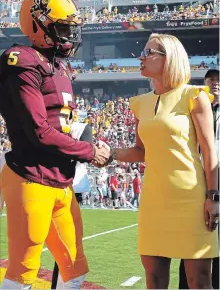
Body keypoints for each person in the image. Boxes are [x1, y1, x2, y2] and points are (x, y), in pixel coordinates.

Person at [0, 0, 110, 289]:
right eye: (63, 29)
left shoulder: (58, 65)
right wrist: (89, 151)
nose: (70, 38)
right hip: (30, 177)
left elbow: (59, 125)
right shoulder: (21, 61)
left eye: (72, 30)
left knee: (75, 269)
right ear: (38, 24)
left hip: (61, 179)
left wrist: (84, 141)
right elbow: (39, 131)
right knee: (23, 270)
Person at [105, 33, 219, 289]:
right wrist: (110, 153)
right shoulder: (140, 104)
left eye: (149, 52)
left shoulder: (194, 96)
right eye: (142, 52)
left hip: (192, 198)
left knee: (199, 281)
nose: (141, 57)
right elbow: (140, 151)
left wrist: (213, 197)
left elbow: (210, 151)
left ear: (170, 59)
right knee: (154, 280)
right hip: (154, 200)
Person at [179, 68, 219, 290]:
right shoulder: (194, 110)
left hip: (217, 181)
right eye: (210, 79)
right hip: (195, 181)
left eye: (219, 80)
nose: (215, 83)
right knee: (190, 243)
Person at [52, 121, 93, 289]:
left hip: (70, 189)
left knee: (68, 247)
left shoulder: (82, 128)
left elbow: (85, 154)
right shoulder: (43, 124)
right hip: (45, 185)